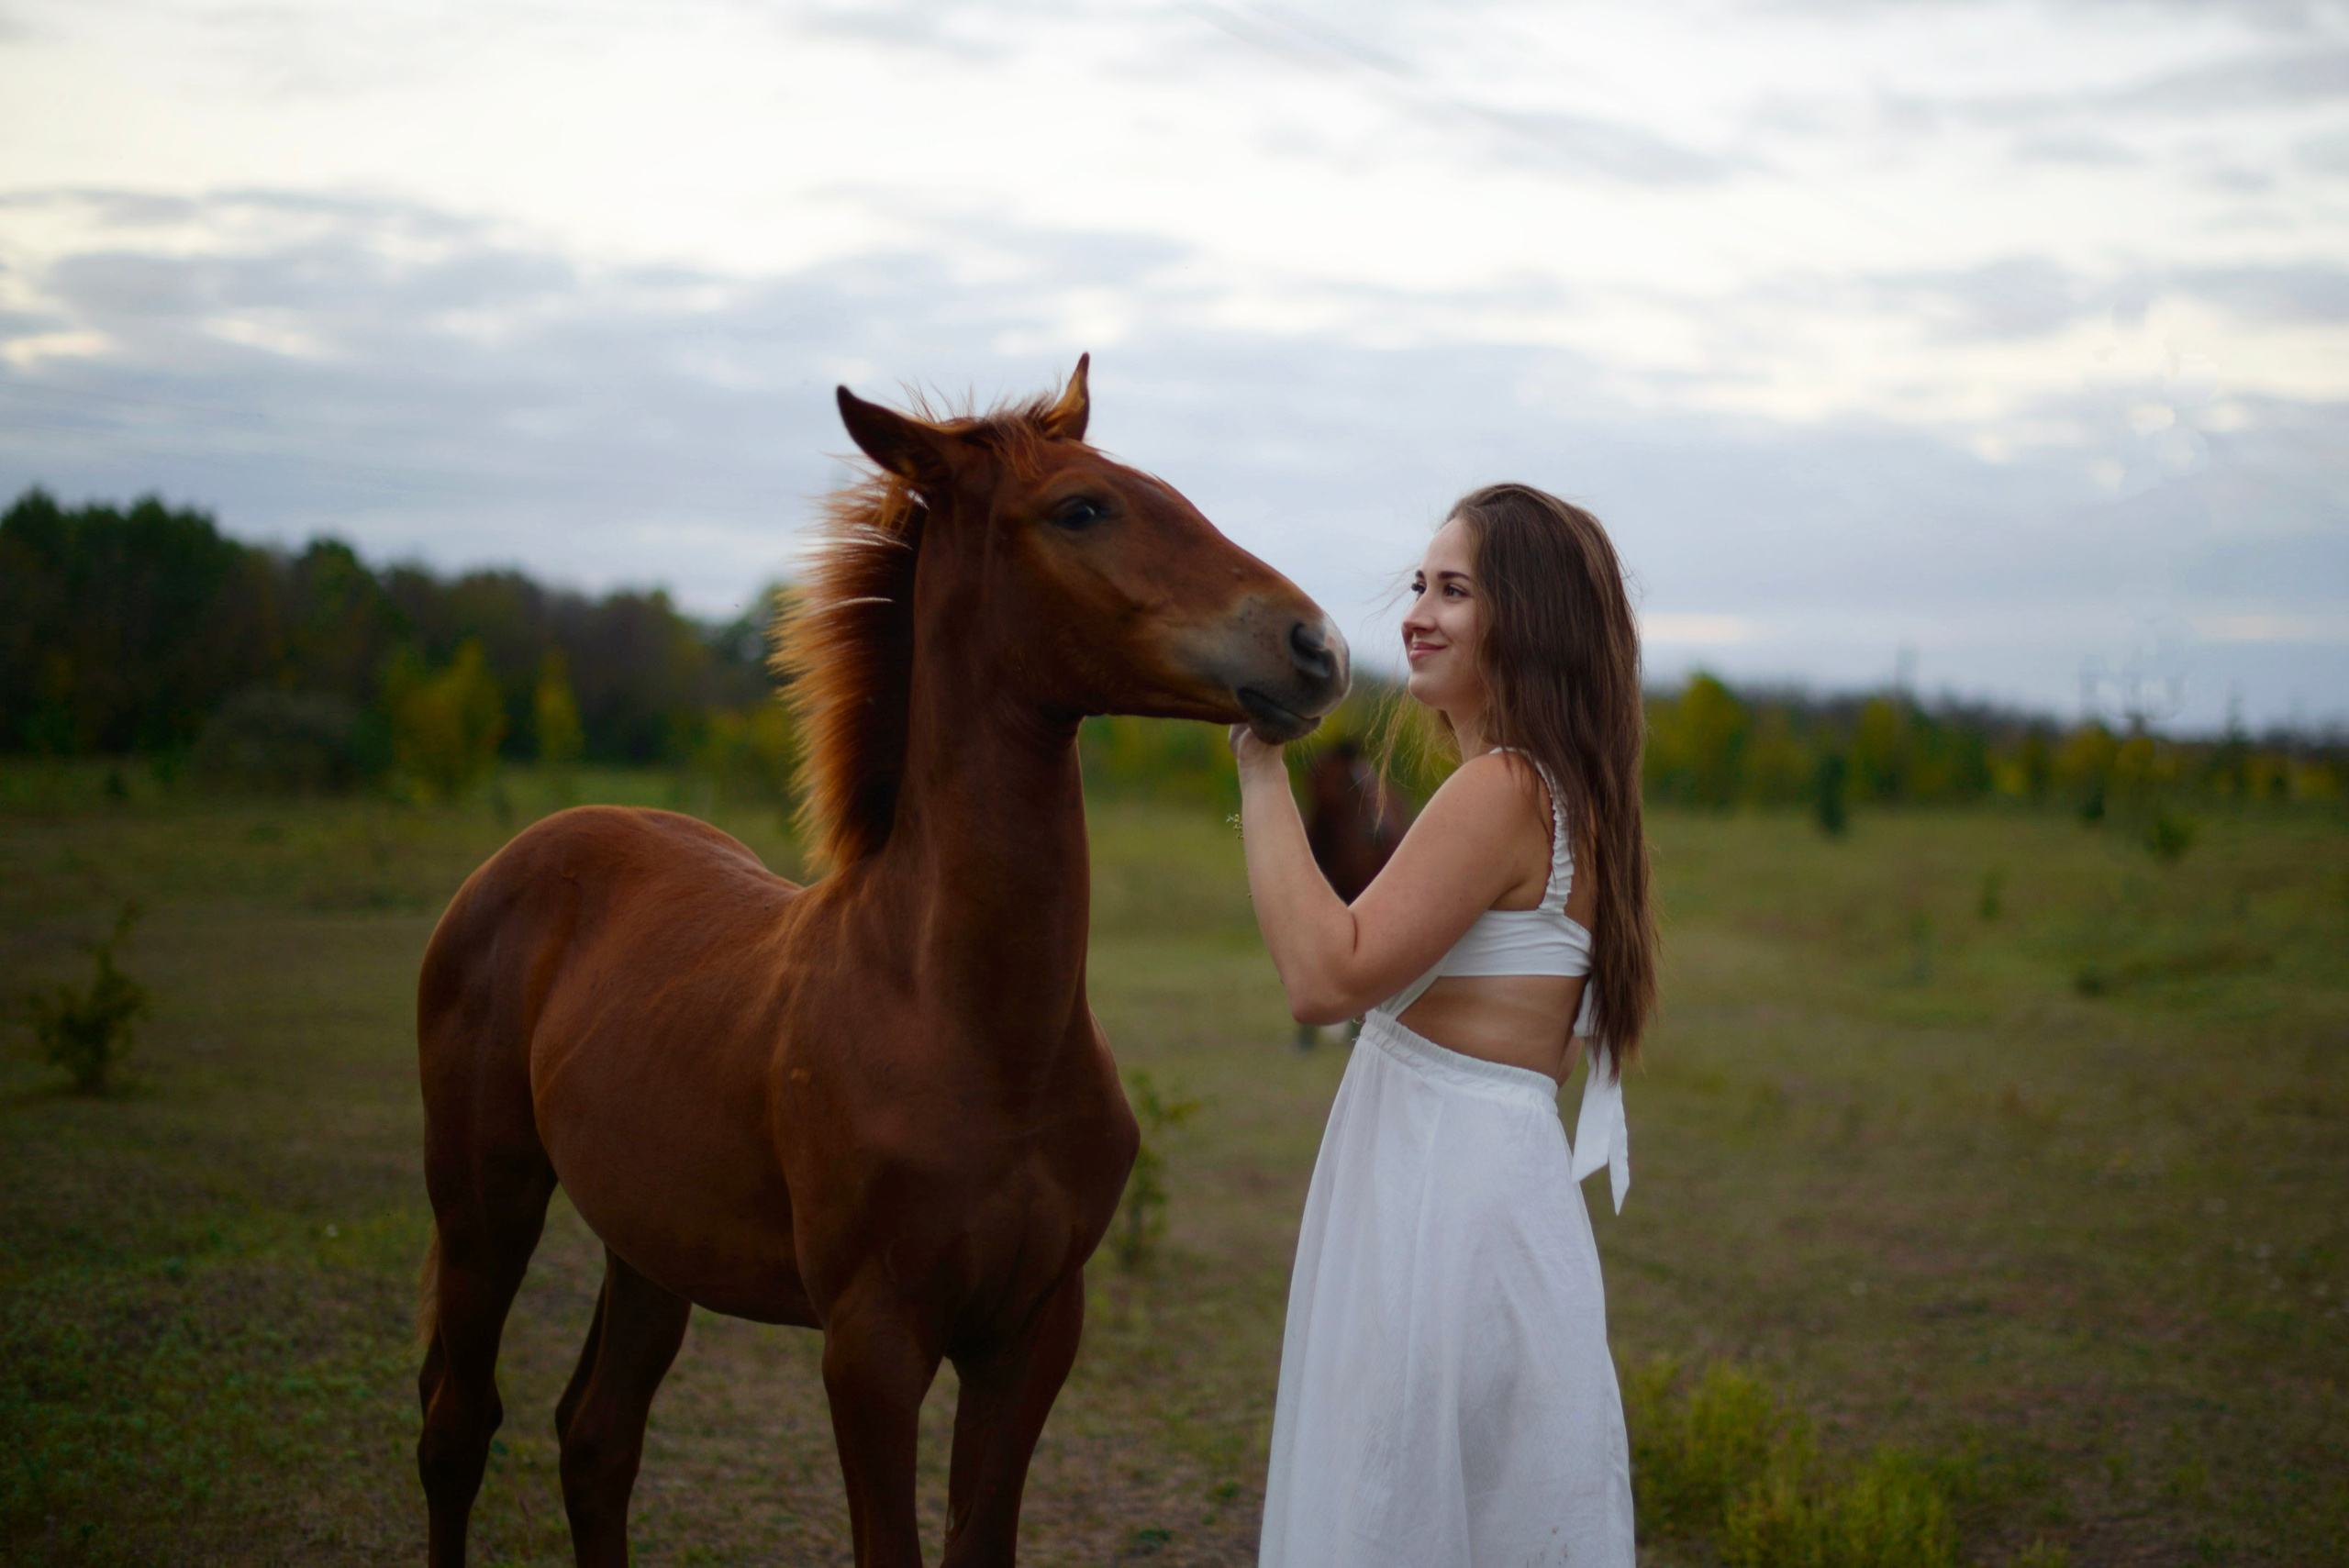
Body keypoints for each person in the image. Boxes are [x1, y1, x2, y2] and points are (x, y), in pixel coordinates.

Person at [1233, 483, 1656, 1568]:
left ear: (1529, 618)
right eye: (1419, 585)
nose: (1417, 613)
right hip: (1500, 1188)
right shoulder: (1571, 795)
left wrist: (1259, 762)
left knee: (1391, 1498)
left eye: (1454, 590)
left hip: (1438, 1192)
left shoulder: (1501, 786)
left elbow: (1324, 975)